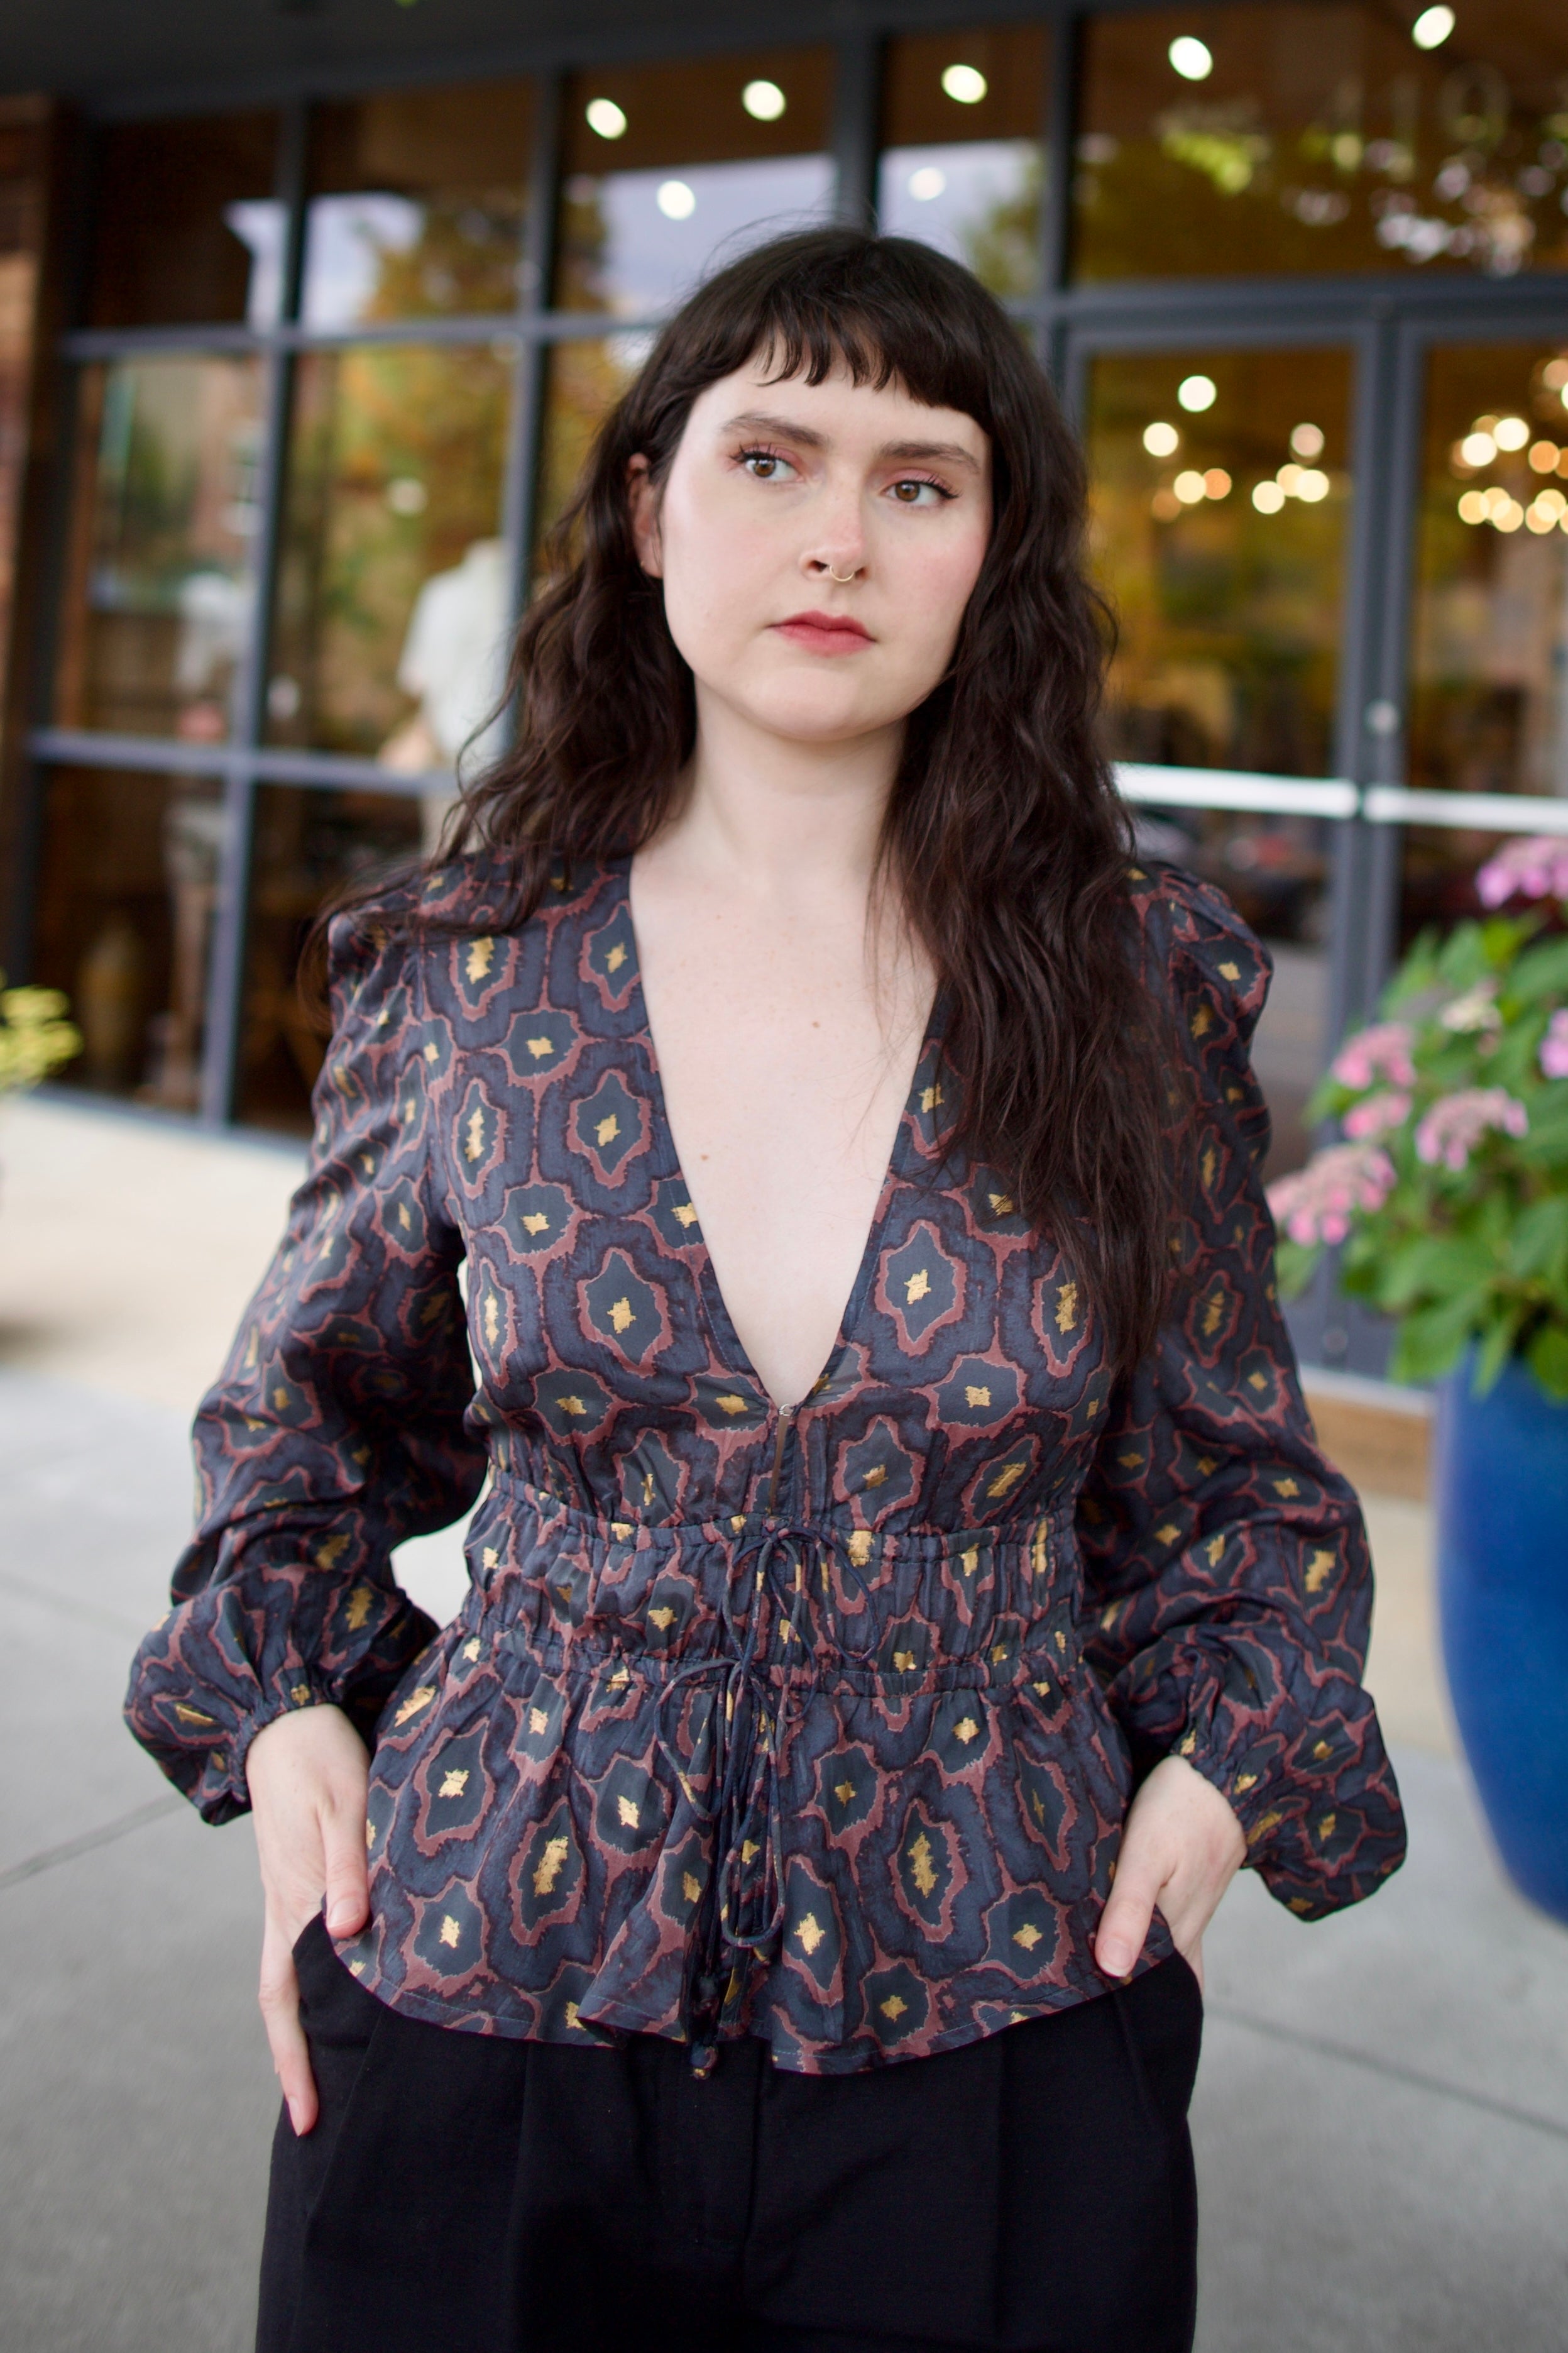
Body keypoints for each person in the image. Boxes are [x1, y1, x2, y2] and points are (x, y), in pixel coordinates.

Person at [126, 229, 1405, 2353]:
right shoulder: (472, 970)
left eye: (920, 480)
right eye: (773, 458)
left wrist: (1206, 1795)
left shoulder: (1125, 986)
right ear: (649, 512)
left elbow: (1241, 1502)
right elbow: (298, 1435)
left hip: (998, 2009)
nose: (841, 535)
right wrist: (282, 1732)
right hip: (482, 1991)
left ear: (991, 548)